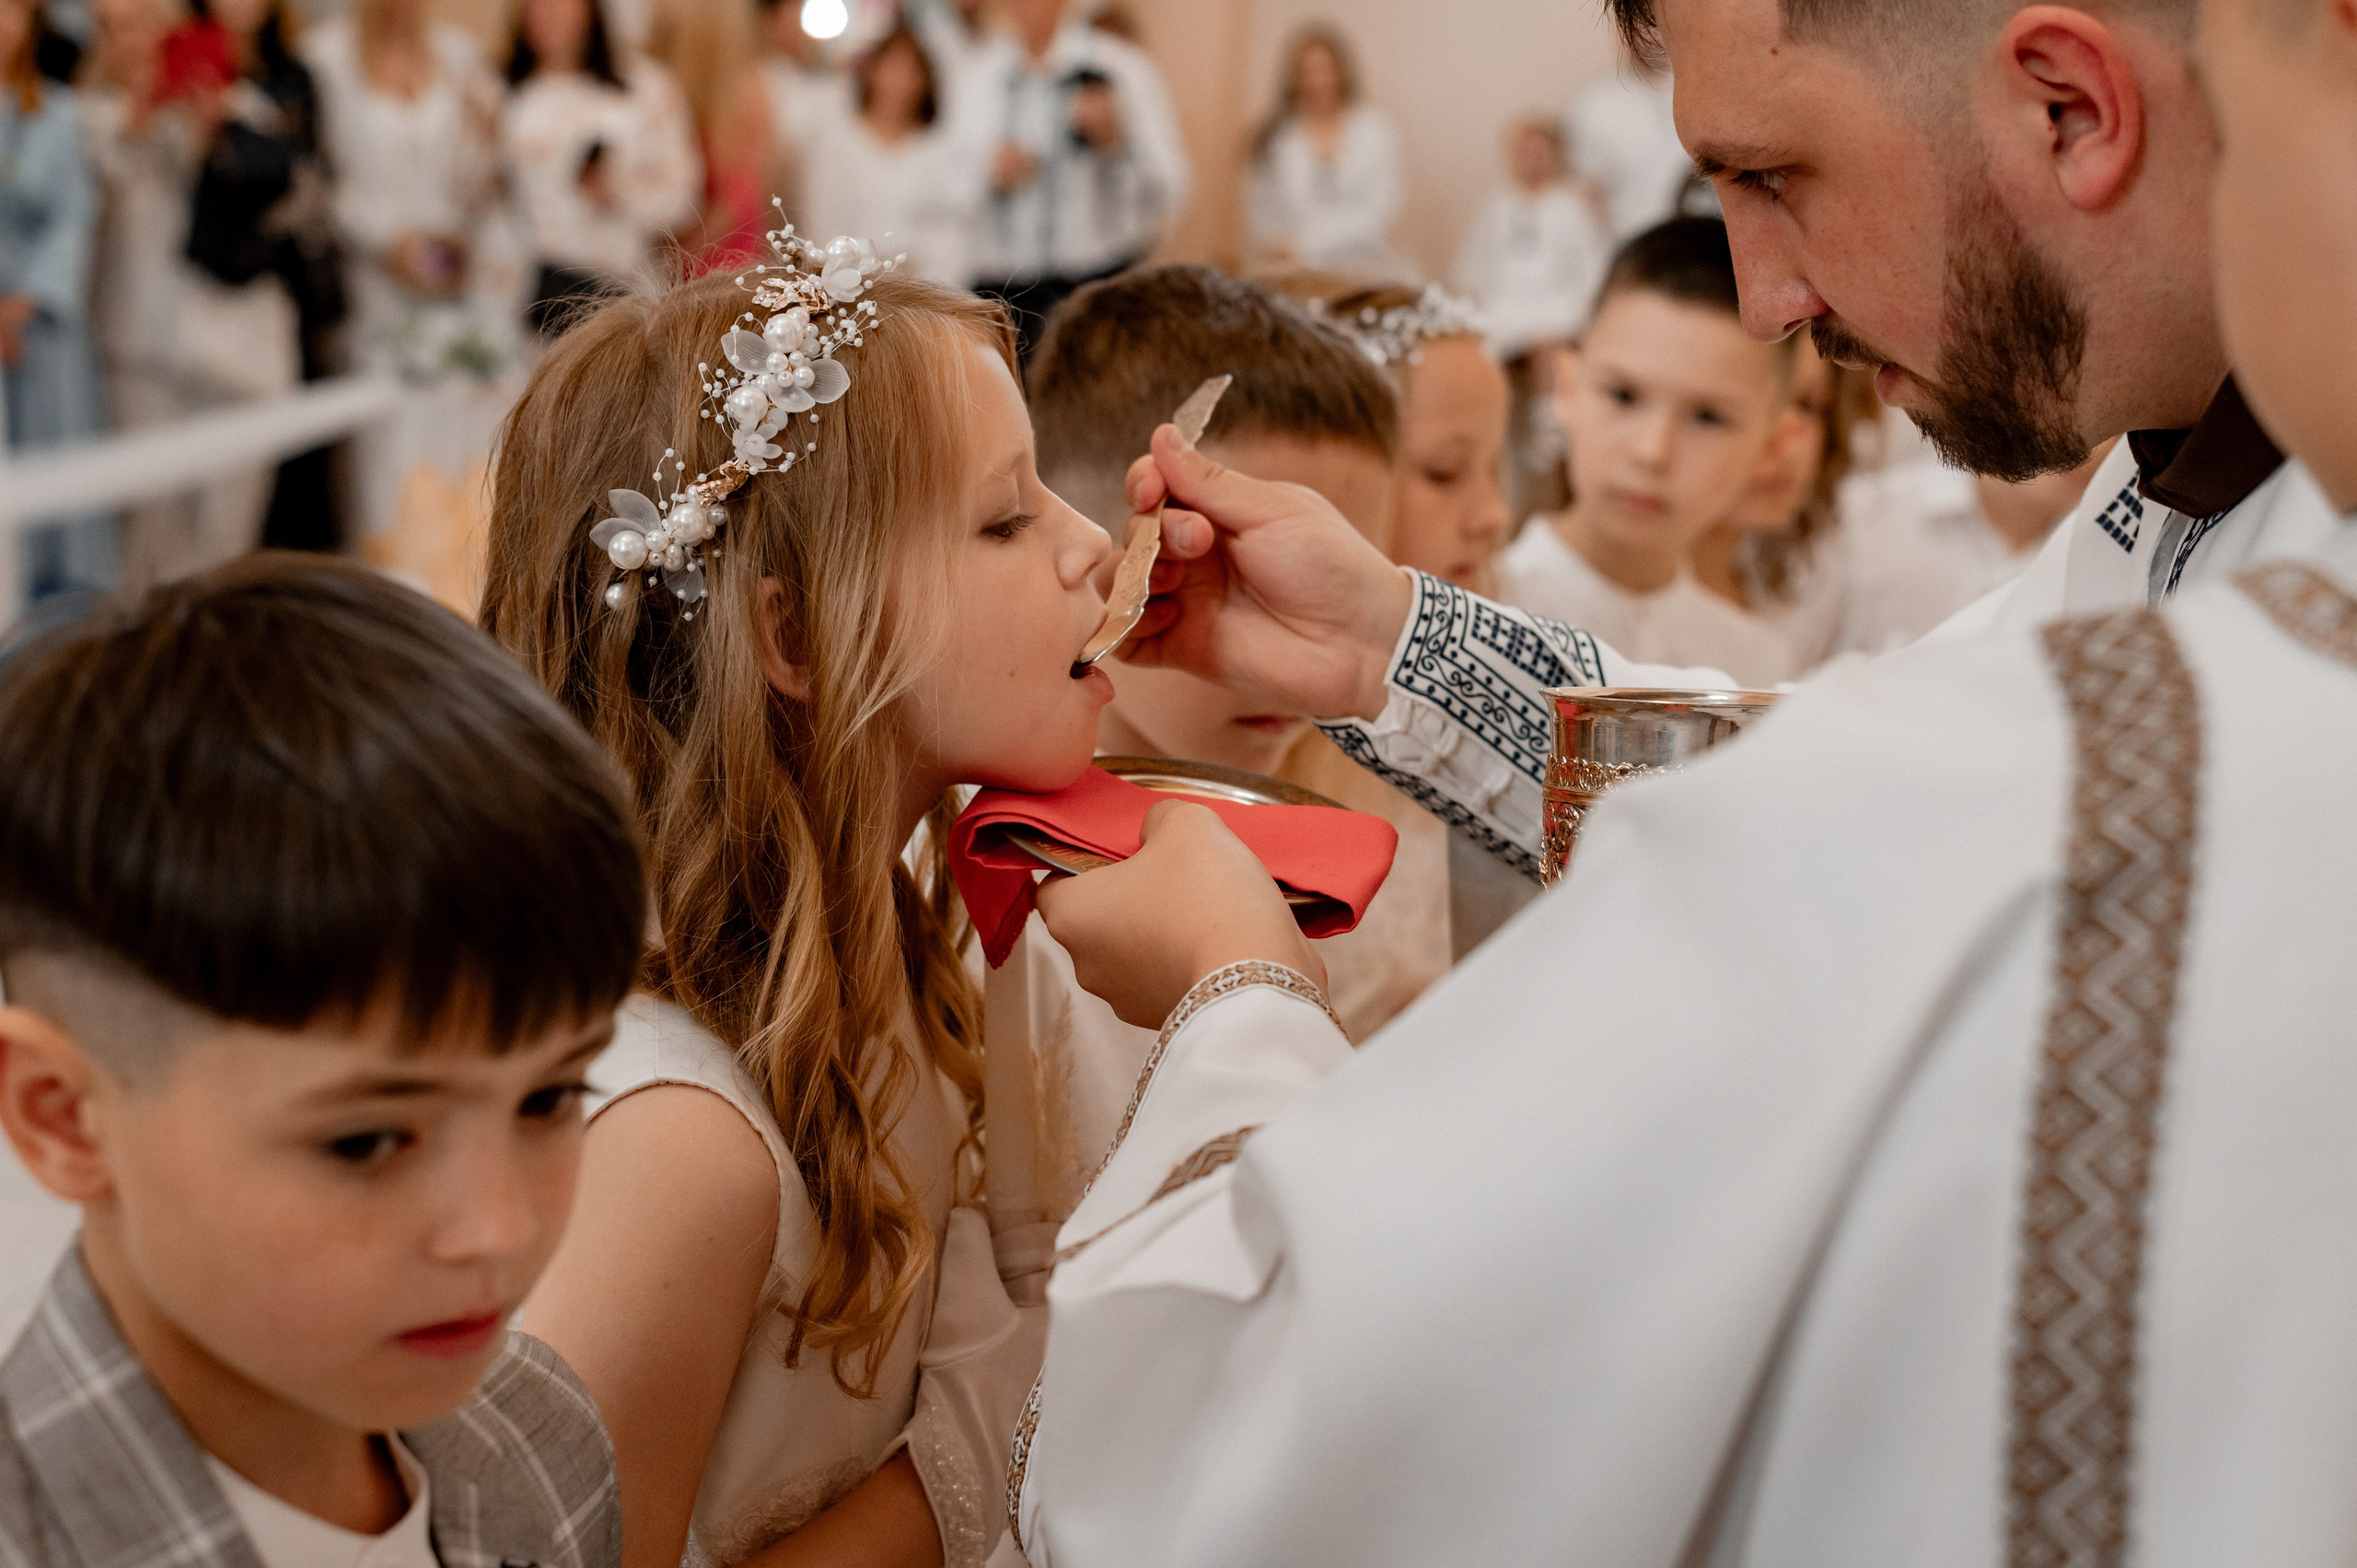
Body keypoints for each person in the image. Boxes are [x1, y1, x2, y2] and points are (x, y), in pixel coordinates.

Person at [1002, 0, 2357, 1551]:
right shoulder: (2183, 489)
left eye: (1776, 173)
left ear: (2070, 108)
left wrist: (1231, 993)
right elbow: (1869, 795)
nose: (1766, 296)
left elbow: (1264, 1433)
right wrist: (1391, 645)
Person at [479, 258, 1114, 1568]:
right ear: (799, 639)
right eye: (1006, 519)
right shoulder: (682, 1146)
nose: (1091, 542)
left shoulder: (898, 920)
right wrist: (983, 1436)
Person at [0, 554, 644, 1568]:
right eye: (365, 1138)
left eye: (548, 1095)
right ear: (62, 1115)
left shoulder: (538, 1440)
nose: (499, 1230)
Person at [1027, 263, 1444, 1043]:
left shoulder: (1358, 839)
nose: (1286, 646)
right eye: (1236, 575)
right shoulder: (989, 865)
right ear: (1093, 548)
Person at [1499, 218, 1794, 688]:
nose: (1652, 452)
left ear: (1771, 447)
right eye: (1623, 396)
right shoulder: (1483, 615)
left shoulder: (1754, 670)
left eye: (1708, 417)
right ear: (1567, 387)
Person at [83, 0, 300, 590]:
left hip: (236, 350)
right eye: (109, 28)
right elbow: (109, 175)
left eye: (138, 23)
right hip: (140, 350)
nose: (127, 40)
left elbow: (284, 196)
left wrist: (215, 135)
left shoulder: (241, 104)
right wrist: (149, 118)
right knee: (153, 532)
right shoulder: (91, 118)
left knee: (229, 533)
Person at [945, 0, 1189, 359]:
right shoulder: (977, 73)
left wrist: (1114, 143)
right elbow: (940, 184)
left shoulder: (1123, 68)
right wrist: (989, 174)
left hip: (1093, 282)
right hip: (1000, 290)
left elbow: (1172, 185)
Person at [301, 0, 504, 371]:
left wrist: (488, 140)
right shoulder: (325, 57)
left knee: (453, 382)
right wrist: (387, 243)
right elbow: (319, 176)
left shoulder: (457, 53)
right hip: (367, 272)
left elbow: (473, 178)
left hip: (449, 266)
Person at [500, 0, 699, 336]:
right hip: (528, 299)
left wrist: (617, 190)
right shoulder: (501, 94)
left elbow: (685, 198)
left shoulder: (645, 87)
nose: (543, 12)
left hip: (621, 292)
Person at [1, 0, 111, 605]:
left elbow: (74, 217)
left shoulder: (57, 114)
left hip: (40, 329)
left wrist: (24, 305)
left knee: (55, 490)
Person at [798, 24, 974, 285]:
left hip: (918, 292)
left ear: (925, 81)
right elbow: (820, 224)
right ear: (870, 73)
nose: (899, 82)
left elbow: (950, 234)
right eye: (891, 68)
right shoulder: (836, 142)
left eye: (910, 71)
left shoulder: (938, 150)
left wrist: (914, 277)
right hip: (850, 290)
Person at [1243, 25, 1404, 278]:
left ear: (1342, 73)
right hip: (1291, 272)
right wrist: (1282, 247)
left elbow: (1379, 210)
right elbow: (1261, 212)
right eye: (1307, 72)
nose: (1318, 81)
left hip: (1361, 267)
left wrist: (1306, 245)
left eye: (1325, 70)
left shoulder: (1374, 132)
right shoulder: (1275, 138)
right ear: (1293, 79)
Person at [1451, 114, 1611, 362]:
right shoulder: (1496, 206)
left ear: (1554, 156)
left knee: (1550, 342)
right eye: (1525, 152)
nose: (1531, 161)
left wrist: (1582, 310)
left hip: (1556, 304)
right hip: (1501, 305)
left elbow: (1592, 266)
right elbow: (1473, 264)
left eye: (1539, 153)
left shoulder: (1571, 207)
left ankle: (1544, 402)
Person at [644, 0, 772, 273]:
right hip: (666, 251)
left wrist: (681, 255)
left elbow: (740, 197)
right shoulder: (652, 76)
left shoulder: (744, 89)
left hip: (719, 256)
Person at [1564, 44, 1691, 239]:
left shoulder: (1705, 90)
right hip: (1632, 246)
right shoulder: (1595, 103)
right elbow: (1589, 192)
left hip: (1708, 246)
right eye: (1639, 21)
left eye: (1654, 22)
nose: (1649, 36)